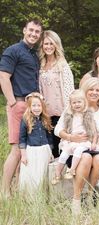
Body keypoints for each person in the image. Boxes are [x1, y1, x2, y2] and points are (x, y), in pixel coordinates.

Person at [0, 19, 43, 196]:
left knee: (26, 149)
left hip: (32, 107)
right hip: (18, 104)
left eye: (37, 32)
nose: (33, 34)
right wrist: (12, 103)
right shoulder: (13, 50)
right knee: (17, 150)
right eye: (31, 30)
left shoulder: (34, 54)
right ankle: (4, 191)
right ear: (24, 30)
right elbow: (3, 76)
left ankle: (18, 188)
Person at [54, 77, 99, 214]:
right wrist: (71, 137)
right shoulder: (73, 107)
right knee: (86, 158)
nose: (94, 93)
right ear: (85, 91)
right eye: (91, 89)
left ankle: (90, 196)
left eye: (97, 90)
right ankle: (76, 200)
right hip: (73, 146)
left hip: (93, 146)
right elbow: (57, 129)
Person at [39, 30, 74, 158]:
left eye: (51, 44)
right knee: (48, 149)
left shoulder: (62, 65)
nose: (48, 47)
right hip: (45, 114)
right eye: (46, 44)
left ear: (56, 45)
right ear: (42, 45)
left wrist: (69, 113)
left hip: (61, 114)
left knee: (61, 148)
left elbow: (70, 91)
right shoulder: (40, 65)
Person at [52, 89, 98, 184]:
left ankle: (71, 170)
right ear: (71, 104)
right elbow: (58, 129)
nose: (77, 104)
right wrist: (70, 137)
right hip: (71, 142)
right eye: (74, 103)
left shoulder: (88, 115)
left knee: (78, 151)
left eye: (79, 102)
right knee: (65, 153)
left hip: (84, 142)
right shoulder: (69, 114)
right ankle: (57, 173)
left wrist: (93, 142)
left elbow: (94, 131)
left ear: (84, 102)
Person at [19, 92, 53, 195]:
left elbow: (49, 137)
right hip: (32, 151)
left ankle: (43, 194)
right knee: (33, 173)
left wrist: (50, 152)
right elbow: (22, 138)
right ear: (29, 107)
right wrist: (23, 155)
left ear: (42, 107)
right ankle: (31, 195)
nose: (37, 108)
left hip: (44, 149)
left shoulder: (45, 119)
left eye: (39, 105)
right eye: (34, 105)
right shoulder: (25, 120)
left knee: (43, 172)